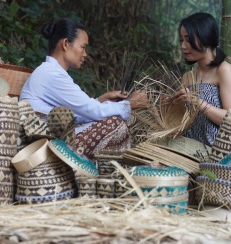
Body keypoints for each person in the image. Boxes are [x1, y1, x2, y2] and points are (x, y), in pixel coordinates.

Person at [20, 18, 146, 156]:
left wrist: (99, 101)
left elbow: (79, 113)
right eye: (83, 47)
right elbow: (92, 111)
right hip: (42, 146)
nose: (85, 54)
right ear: (66, 44)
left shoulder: (52, 72)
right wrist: (131, 104)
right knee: (114, 124)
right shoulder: (51, 74)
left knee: (113, 122)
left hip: (49, 138)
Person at [172, 12, 231, 146]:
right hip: (187, 151)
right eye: (182, 40)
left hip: (217, 153)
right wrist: (170, 104)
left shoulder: (224, 70)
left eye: (188, 39)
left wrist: (198, 103)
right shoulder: (187, 77)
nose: (183, 46)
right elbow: (182, 120)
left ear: (206, 38)